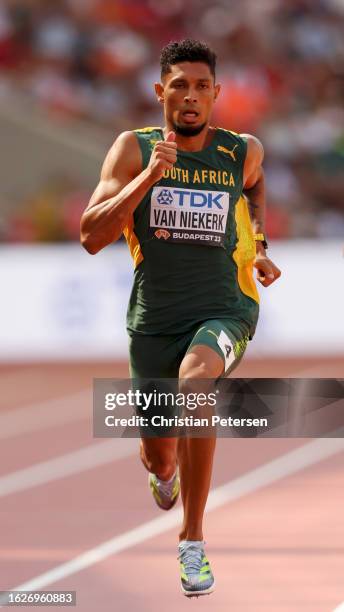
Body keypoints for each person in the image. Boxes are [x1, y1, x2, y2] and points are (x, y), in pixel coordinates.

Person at [80, 39, 281, 598]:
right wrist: (149, 178)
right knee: (158, 450)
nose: (190, 97)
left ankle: (192, 540)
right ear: (159, 92)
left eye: (200, 87)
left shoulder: (240, 151)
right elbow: (91, 237)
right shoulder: (133, 148)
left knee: (197, 387)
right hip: (153, 320)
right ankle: (163, 474)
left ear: (216, 94)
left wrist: (259, 242)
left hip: (224, 307)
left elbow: (257, 183)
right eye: (179, 86)